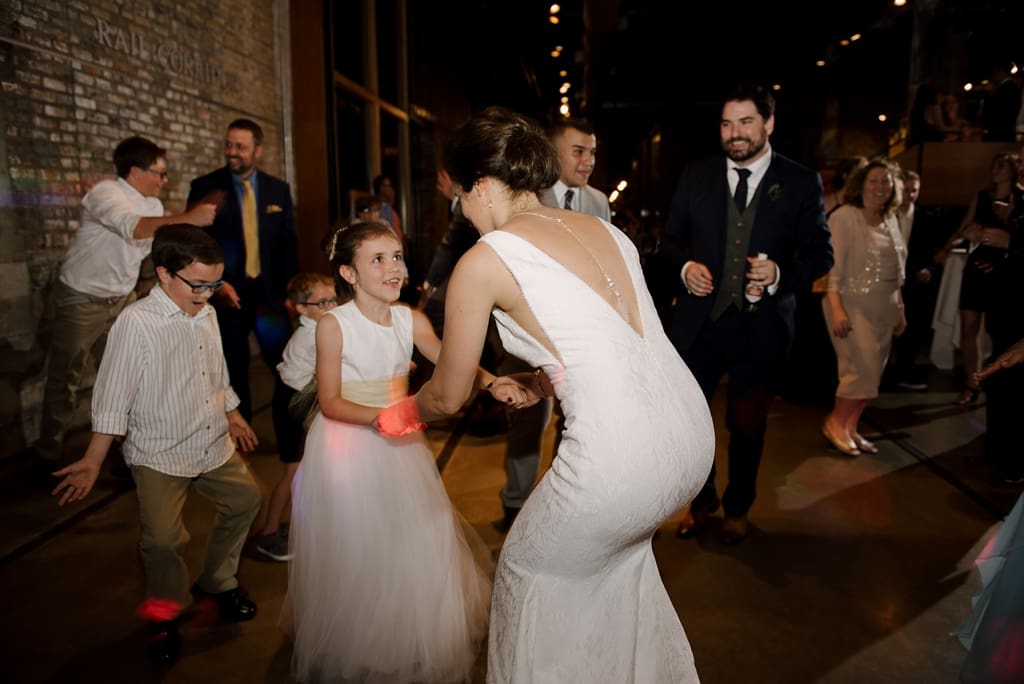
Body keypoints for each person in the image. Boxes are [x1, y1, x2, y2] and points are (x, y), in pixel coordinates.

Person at [377, 106, 713, 682]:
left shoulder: (485, 261)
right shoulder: (609, 232)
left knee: (528, 572)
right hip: (691, 438)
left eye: (460, 197)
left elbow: (448, 395)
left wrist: (396, 415)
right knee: (616, 567)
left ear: (480, 186)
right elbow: (610, 342)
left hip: (621, 461)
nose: (462, 210)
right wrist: (543, 378)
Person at [285, 220, 504, 684]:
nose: (393, 269)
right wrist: (382, 417)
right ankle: (361, 640)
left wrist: (490, 381)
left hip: (399, 442)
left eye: (397, 257)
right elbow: (330, 402)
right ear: (348, 273)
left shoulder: (411, 319)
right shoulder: (333, 326)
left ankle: (406, 633)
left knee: (414, 537)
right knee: (362, 544)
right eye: (377, 260)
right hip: (348, 444)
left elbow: (452, 360)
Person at [51, 224, 263, 666]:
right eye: (198, 284)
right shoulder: (136, 323)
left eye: (214, 284)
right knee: (164, 540)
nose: (207, 294)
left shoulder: (204, 312)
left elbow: (214, 369)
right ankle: (165, 611)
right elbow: (112, 396)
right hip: (160, 452)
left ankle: (218, 582)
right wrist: (93, 458)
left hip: (211, 441)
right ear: (164, 274)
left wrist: (232, 412)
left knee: (246, 500)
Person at [660, 82, 833, 544]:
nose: (735, 133)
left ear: (769, 124)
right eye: (726, 123)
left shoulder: (799, 181)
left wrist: (779, 273)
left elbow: (820, 255)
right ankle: (701, 502)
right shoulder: (696, 176)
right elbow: (669, 242)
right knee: (691, 423)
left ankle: (738, 506)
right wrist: (685, 267)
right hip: (701, 324)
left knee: (746, 423)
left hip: (763, 329)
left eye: (746, 122)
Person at [34, 136, 217, 477]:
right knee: (66, 378)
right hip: (82, 299)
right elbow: (133, 229)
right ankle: (48, 455)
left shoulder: (154, 207)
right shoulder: (106, 194)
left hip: (122, 298)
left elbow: (156, 251)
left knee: (129, 375)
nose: (164, 181)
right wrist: (190, 218)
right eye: (160, 173)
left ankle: (129, 453)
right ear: (135, 171)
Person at [494, 116, 613, 533]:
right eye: (579, 151)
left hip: (578, 335)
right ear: (553, 151)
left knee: (576, 419)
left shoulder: (599, 202)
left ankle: (559, 505)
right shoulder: (525, 195)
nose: (589, 161)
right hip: (530, 328)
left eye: (594, 152)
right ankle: (515, 503)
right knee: (529, 416)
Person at [187, 118, 299, 429]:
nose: (232, 152)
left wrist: (291, 293)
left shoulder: (278, 189)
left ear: (258, 150)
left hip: (269, 296)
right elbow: (196, 246)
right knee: (232, 372)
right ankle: (240, 436)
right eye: (228, 145)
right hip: (226, 296)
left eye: (240, 146)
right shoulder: (205, 187)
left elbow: (288, 246)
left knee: (285, 367)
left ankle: (289, 437)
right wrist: (216, 285)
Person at [821, 158, 908, 456]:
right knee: (859, 369)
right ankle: (835, 423)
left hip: (885, 308)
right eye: (874, 180)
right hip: (851, 306)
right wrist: (837, 309)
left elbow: (898, 272)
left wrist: (900, 309)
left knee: (873, 376)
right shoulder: (845, 216)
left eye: (886, 181)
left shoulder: (892, 218)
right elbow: (832, 269)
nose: (880, 187)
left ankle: (850, 428)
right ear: (861, 184)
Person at [253, 272, 338, 562]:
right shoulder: (314, 333)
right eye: (323, 302)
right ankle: (268, 532)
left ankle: (286, 525)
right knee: (291, 472)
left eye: (333, 299)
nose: (332, 306)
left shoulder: (319, 325)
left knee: (300, 471)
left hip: (301, 399)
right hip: (291, 403)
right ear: (301, 308)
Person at [941, 152, 1019, 406]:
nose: (996, 170)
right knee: (968, 327)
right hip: (976, 267)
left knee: (999, 332)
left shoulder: (1019, 197)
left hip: (1003, 270)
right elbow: (964, 228)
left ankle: (999, 378)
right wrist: (965, 235)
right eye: (994, 165)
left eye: (1001, 166)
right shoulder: (982, 196)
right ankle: (971, 381)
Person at [888, 168, 954, 390]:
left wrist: (929, 269)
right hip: (889, 281)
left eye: (914, 191)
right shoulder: (886, 216)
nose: (909, 195)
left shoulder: (928, 218)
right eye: (905, 190)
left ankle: (905, 371)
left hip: (915, 282)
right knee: (886, 329)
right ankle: (882, 374)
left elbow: (935, 251)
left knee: (912, 328)